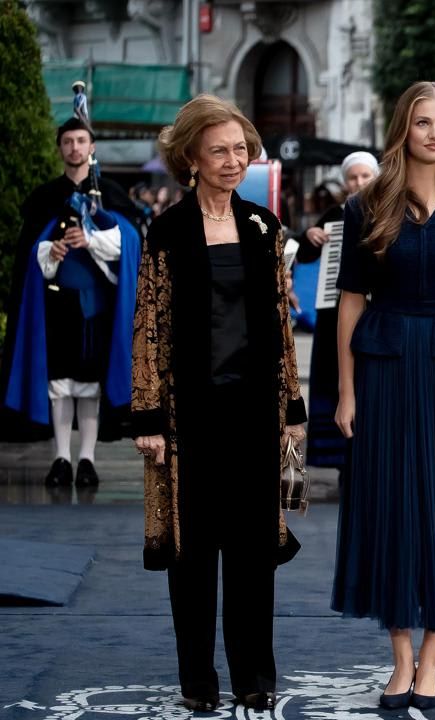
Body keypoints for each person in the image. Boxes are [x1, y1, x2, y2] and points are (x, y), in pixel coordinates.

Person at [330, 81, 435, 712]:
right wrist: (346, 390)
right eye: (425, 122)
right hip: (385, 364)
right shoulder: (368, 204)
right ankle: (400, 658)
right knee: (392, 503)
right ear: (404, 127)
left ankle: (433, 655)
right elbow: (350, 301)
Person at [131, 94, 308, 712]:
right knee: (195, 550)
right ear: (192, 159)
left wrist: (292, 407)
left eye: (240, 150)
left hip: (254, 410)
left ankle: (255, 677)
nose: (234, 161)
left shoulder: (263, 225)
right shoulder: (170, 229)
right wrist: (147, 415)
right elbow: (148, 320)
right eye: (220, 151)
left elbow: (281, 323)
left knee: (254, 549)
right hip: (189, 415)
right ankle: (198, 682)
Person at [2, 117, 142, 487]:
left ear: (92, 147)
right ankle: (61, 457)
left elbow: (129, 244)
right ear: (60, 148)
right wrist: (51, 249)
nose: (75, 148)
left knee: (90, 383)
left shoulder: (111, 194)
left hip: (98, 308)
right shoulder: (45, 197)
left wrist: (92, 240)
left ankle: (87, 459)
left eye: (81, 140)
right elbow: (30, 253)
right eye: (68, 141)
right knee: (59, 382)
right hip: (56, 304)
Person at [295, 152, 379, 475]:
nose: (358, 183)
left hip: (377, 312)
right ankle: (344, 460)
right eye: (353, 178)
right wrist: (310, 238)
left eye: (364, 177)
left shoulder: (389, 209)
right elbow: (304, 254)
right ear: (345, 182)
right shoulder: (334, 215)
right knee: (337, 381)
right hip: (336, 312)